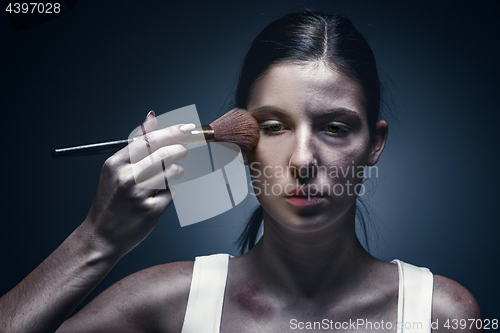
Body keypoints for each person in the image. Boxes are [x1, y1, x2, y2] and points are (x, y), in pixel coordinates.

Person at [0, 11, 482, 333]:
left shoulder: (441, 314)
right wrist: (95, 241)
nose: (301, 160)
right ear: (239, 142)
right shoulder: (162, 304)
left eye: (335, 127)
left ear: (374, 144)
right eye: (273, 126)